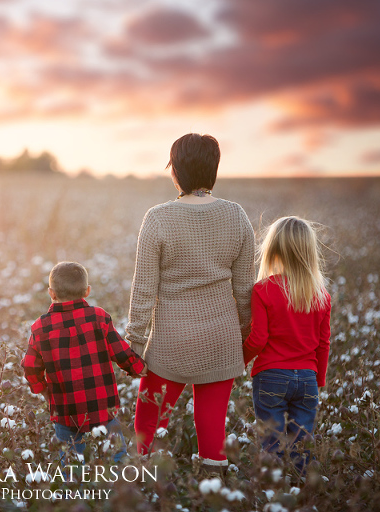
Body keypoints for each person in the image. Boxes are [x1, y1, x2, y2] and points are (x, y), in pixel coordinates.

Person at [126, 133, 255, 473]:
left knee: (148, 427)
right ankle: (214, 488)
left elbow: (143, 291)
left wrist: (134, 345)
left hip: (171, 341)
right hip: (221, 338)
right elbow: (245, 291)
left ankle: (144, 484)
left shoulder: (158, 218)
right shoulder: (237, 215)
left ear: (176, 171)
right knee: (212, 429)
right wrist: (245, 340)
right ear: (213, 169)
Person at [22, 261, 147, 464]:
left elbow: (29, 366)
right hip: (103, 408)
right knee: (116, 456)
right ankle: (119, 492)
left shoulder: (40, 327)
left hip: (65, 413)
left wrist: (43, 390)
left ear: (51, 293)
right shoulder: (99, 317)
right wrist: (138, 369)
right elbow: (120, 352)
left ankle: (76, 493)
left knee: (71, 462)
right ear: (87, 291)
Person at [242, 216, 331, 475]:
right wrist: (318, 379)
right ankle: (305, 490)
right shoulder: (320, 295)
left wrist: (242, 360)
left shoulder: (263, 289)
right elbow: (323, 344)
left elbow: (258, 338)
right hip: (307, 379)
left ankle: (274, 492)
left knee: (272, 447)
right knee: (303, 446)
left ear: (274, 250)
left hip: (270, 377)